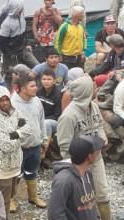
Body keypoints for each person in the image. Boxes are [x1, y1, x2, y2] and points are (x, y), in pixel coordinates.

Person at [57, 75, 111, 220]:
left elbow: (99, 125)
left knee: (102, 193)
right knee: (83, 199)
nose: (96, 88)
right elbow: (64, 146)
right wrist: (79, 162)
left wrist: (102, 139)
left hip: (96, 158)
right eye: (92, 86)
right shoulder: (68, 116)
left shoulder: (93, 106)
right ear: (86, 91)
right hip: (79, 165)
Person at [0, 85, 32, 217]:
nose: (5, 103)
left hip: (15, 164)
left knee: (12, 195)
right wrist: (20, 134)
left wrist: (14, 134)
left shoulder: (15, 112)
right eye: (1, 100)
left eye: (7, 99)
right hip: (1, 168)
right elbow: (7, 146)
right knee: (2, 203)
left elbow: (29, 128)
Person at [11, 75, 47, 209]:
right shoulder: (12, 104)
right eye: (32, 86)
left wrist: (44, 139)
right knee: (15, 174)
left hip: (35, 145)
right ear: (22, 89)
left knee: (32, 171)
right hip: (18, 148)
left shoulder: (36, 100)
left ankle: (33, 197)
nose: (36, 88)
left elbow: (41, 120)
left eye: (35, 85)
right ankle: (12, 199)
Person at [47, 135, 103, 220]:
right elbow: (55, 215)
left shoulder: (87, 174)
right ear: (89, 156)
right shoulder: (63, 181)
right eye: (97, 150)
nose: (100, 151)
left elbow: (91, 204)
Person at [0, 0, 39, 90]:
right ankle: (9, 94)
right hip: (11, 53)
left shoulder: (21, 17)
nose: (23, 9)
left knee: (37, 67)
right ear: (16, 8)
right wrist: (9, 54)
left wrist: (27, 43)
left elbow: (24, 33)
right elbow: (2, 42)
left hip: (23, 49)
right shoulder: (7, 23)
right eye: (21, 7)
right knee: (11, 75)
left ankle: (34, 89)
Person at [36, 69, 62, 162]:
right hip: (40, 120)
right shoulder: (38, 92)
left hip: (54, 122)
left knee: (46, 124)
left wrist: (41, 121)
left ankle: (43, 152)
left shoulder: (58, 94)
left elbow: (57, 115)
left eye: (49, 79)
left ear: (54, 81)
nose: (46, 81)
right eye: (44, 79)